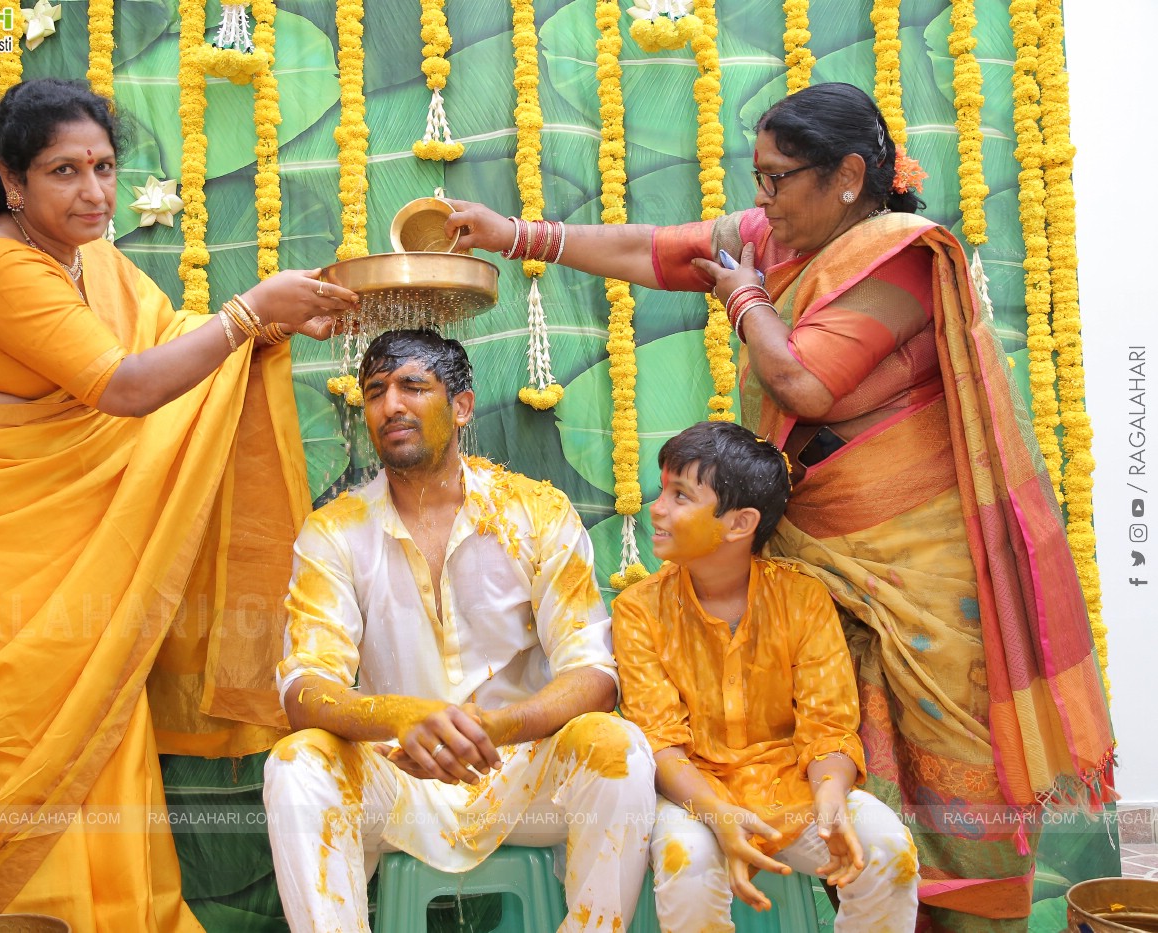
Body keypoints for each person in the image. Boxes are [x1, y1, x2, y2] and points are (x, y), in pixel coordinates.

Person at [446, 81, 1114, 931]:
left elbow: (804, 382)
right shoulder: (780, 238)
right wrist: (517, 235)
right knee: (853, 764)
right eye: (755, 179)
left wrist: (743, 297)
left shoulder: (896, 255)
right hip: (817, 552)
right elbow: (653, 248)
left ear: (843, 176)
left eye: (775, 179)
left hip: (922, 572)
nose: (759, 199)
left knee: (954, 772)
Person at [0, 78, 357, 931]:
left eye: (103, 166)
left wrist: (268, 329)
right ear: (14, 181)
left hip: (68, 540)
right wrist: (247, 316)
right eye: (65, 170)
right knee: (11, 752)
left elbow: (166, 345)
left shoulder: (88, 258)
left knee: (97, 722)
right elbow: (126, 387)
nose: (94, 192)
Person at [263, 329, 656, 932]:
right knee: (295, 765)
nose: (391, 404)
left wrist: (497, 728)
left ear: (462, 406)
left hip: (524, 773)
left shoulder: (537, 512)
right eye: (374, 392)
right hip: (396, 777)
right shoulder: (333, 532)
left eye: (412, 386)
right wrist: (401, 716)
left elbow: (593, 674)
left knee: (620, 749)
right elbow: (304, 689)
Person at [613, 421, 918, 931]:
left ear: (740, 524)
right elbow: (661, 744)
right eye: (662, 489)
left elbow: (830, 729)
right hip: (692, 797)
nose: (657, 508)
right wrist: (718, 814)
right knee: (686, 865)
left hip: (793, 788)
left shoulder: (802, 599)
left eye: (680, 495)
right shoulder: (639, 610)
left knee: (887, 850)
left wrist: (829, 800)